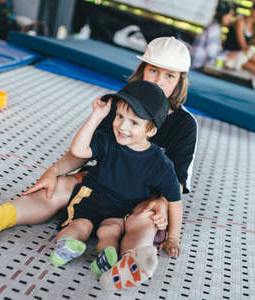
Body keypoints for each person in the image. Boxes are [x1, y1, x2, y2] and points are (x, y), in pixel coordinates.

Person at [0, 36, 198, 288]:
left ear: (180, 82)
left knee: (148, 217)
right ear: (142, 70)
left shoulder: (185, 125)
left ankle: (132, 262)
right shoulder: (123, 104)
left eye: (169, 76)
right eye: (153, 70)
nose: (159, 80)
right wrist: (55, 170)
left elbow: (174, 183)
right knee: (60, 186)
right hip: (102, 183)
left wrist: (162, 203)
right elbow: (88, 150)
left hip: (142, 197)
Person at [49, 80, 182, 290]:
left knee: (110, 232)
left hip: (121, 213)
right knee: (79, 225)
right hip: (91, 201)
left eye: (134, 123)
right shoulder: (108, 139)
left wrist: (173, 238)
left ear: (151, 131)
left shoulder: (161, 163)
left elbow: (174, 200)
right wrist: (96, 116)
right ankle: (67, 246)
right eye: (119, 116)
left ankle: (108, 259)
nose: (122, 126)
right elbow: (79, 150)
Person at [191, 1, 237, 70]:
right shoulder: (214, 29)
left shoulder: (215, 27)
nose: (231, 18)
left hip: (199, 66)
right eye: (230, 14)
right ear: (223, 14)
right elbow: (212, 55)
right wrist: (227, 55)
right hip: (198, 67)